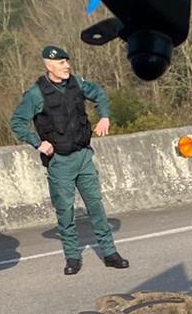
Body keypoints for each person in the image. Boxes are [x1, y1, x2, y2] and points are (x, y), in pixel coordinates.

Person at [8, 44, 128, 275]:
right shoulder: (36, 94)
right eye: (62, 63)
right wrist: (37, 143)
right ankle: (72, 257)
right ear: (49, 65)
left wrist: (104, 117)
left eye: (67, 62)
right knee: (65, 211)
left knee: (96, 205)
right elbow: (17, 122)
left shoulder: (77, 83)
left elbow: (100, 94)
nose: (67, 66)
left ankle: (110, 253)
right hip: (60, 162)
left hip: (83, 156)